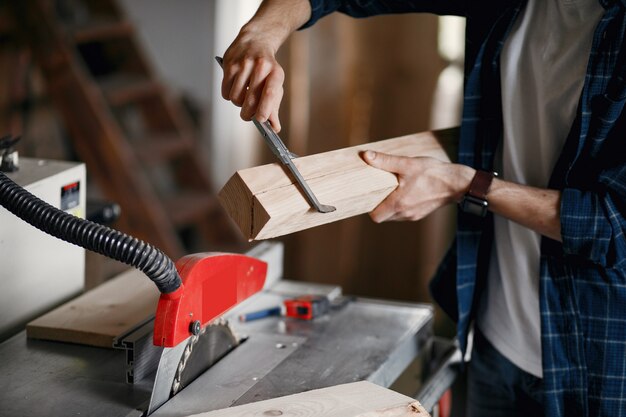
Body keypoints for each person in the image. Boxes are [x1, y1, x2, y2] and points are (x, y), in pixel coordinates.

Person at [219, 1, 626, 415]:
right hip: (492, 337)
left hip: (593, 365)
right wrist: (263, 31)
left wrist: (464, 185)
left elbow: (616, 227)